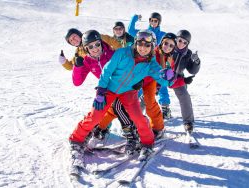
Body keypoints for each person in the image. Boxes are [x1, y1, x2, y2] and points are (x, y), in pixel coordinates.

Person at [69, 29, 175, 166]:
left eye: (147, 45)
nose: (143, 48)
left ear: (152, 46)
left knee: (138, 117)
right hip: (109, 89)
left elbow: (162, 79)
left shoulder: (151, 63)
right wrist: (101, 91)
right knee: (95, 115)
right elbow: (107, 71)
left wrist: (169, 78)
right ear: (135, 43)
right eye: (140, 44)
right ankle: (76, 139)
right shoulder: (122, 53)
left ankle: (147, 144)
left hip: (128, 92)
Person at [70, 30, 140, 154]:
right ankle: (78, 138)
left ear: (101, 43)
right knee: (96, 113)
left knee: (118, 107)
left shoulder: (113, 54)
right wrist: (78, 66)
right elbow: (77, 82)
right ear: (86, 49)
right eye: (90, 47)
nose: (95, 48)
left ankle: (132, 136)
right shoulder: (87, 61)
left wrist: (136, 81)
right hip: (106, 89)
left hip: (124, 86)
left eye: (97, 44)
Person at [128, 12, 172, 119]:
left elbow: (171, 42)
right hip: (145, 64)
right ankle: (132, 107)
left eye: (155, 21)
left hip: (159, 63)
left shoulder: (162, 35)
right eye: (151, 20)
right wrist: (134, 18)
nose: (153, 23)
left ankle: (165, 107)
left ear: (159, 22)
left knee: (161, 85)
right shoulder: (144, 33)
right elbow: (130, 30)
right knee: (142, 85)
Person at [169, 30, 201, 133]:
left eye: (185, 42)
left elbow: (192, 70)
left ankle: (188, 122)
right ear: (176, 39)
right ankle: (133, 117)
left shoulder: (188, 54)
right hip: (163, 75)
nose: (181, 44)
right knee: (147, 94)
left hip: (177, 78)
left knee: (185, 97)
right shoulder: (169, 47)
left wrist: (196, 61)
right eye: (180, 40)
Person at [154, 32, 177, 121]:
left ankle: (165, 107)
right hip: (150, 80)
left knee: (163, 90)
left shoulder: (170, 57)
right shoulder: (154, 53)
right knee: (143, 96)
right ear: (162, 42)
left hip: (162, 80)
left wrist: (171, 66)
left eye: (171, 46)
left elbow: (172, 73)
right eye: (166, 43)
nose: (167, 47)